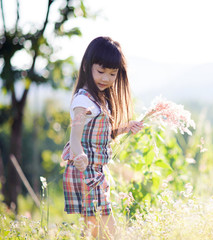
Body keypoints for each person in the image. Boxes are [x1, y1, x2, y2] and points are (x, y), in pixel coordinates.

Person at [61, 36, 143, 239]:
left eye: (112, 74)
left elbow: (102, 133)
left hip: (94, 173)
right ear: (88, 66)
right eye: (101, 71)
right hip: (86, 173)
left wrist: (125, 128)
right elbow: (75, 139)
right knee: (106, 231)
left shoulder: (99, 99)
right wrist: (79, 156)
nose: (105, 78)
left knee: (93, 231)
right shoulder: (83, 102)